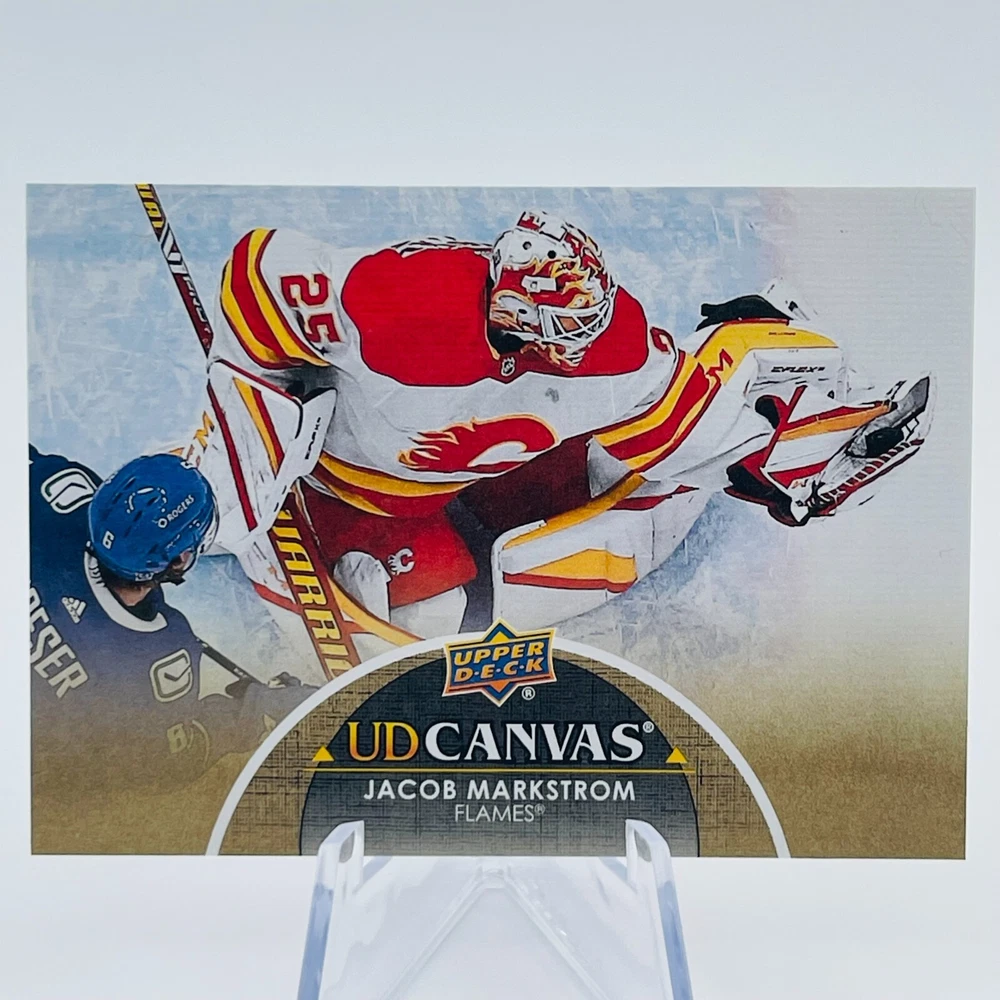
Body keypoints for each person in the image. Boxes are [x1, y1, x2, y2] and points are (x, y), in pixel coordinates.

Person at [186, 210, 934, 639]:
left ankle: (808, 416)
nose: (587, 344)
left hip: (476, 471)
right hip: (348, 490)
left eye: (592, 320)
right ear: (515, 316)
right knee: (437, 615)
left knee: (623, 471)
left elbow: (677, 424)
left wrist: (768, 475)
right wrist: (245, 440)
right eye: (570, 329)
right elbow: (256, 276)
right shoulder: (401, 304)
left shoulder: (614, 341)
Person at [29, 445, 313, 802]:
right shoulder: (162, 653)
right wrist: (257, 711)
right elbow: (168, 760)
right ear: (178, 560)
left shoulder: (54, 495)